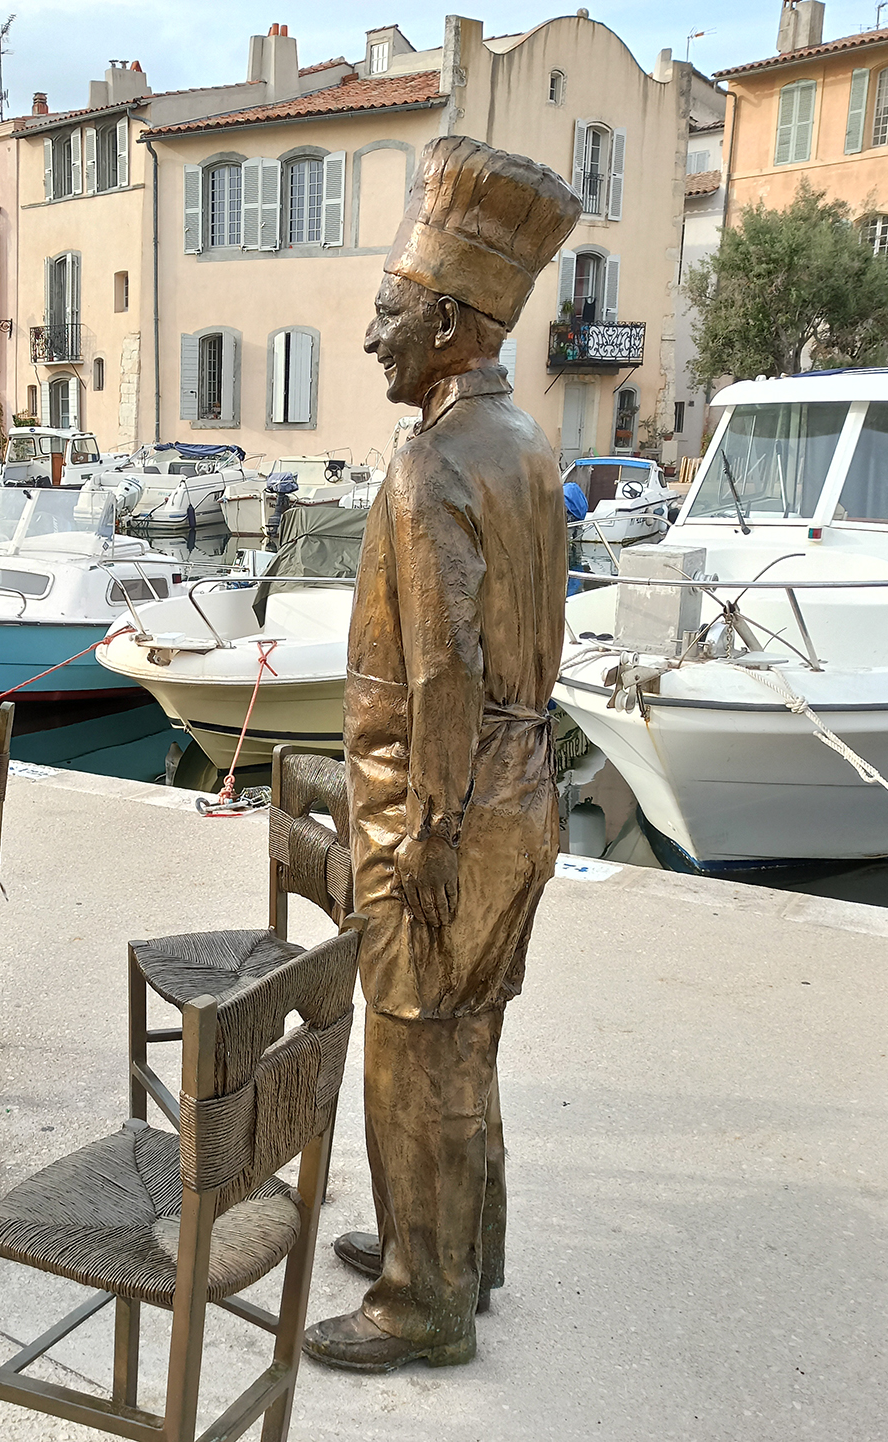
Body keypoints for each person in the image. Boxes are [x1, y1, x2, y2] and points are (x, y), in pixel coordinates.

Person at [302, 136, 580, 1374]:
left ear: (456, 324)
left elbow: (442, 671)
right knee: (471, 1034)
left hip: (444, 798)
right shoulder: (527, 446)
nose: (373, 339)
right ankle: (466, 1244)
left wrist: (427, 828)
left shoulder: (428, 464)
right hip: (523, 790)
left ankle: (424, 1297)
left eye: (390, 313)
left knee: (415, 1031)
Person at [562, 475, 589, 597]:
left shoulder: (566, 492)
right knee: (573, 543)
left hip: (571, 514)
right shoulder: (572, 492)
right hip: (575, 515)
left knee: (566, 543)